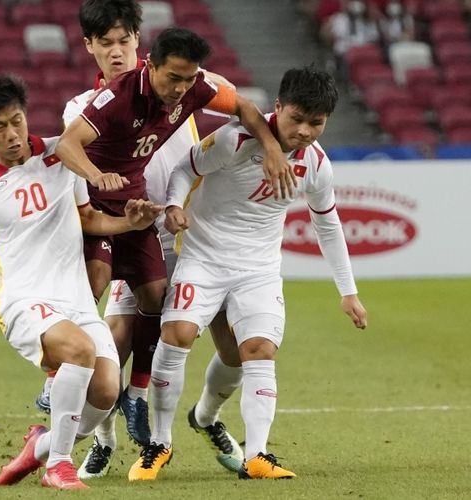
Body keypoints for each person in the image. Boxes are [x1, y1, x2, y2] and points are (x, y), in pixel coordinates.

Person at [36, 0, 245, 479]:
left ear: (139, 41)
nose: (116, 52)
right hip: (131, 230)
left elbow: (231, 98)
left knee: (235, 347)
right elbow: (71, 164)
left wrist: (198, 79)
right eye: (105, 43)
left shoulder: (178, 82)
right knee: (114, 339)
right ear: (88, 47)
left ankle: (207, 415)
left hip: (193, 236)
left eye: (124, 41)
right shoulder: (82, 108)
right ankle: (104, 437)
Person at [130, 66, 368, 481]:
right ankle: (160, 442)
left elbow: (327, 224)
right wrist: (173, 205)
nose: (305, 131)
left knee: (257, 350)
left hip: (258, 270)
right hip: (203, 259)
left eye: (316, 123)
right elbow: (185, 169)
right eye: (297, 119)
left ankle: (255, 454)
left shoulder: (316, 163)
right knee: (177, 334)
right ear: (278, 107)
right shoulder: (234, 139)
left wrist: (348, 292)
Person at [0, 74, 161, 490]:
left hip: (75, 300)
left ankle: (41, 446)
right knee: (79, 351)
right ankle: (58, 466)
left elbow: (87, 218)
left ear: (26, 116)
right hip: (24, 303)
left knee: (105, 392)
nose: (12, 135)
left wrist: (128, 223)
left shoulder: (61, 156)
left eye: (17, 121)